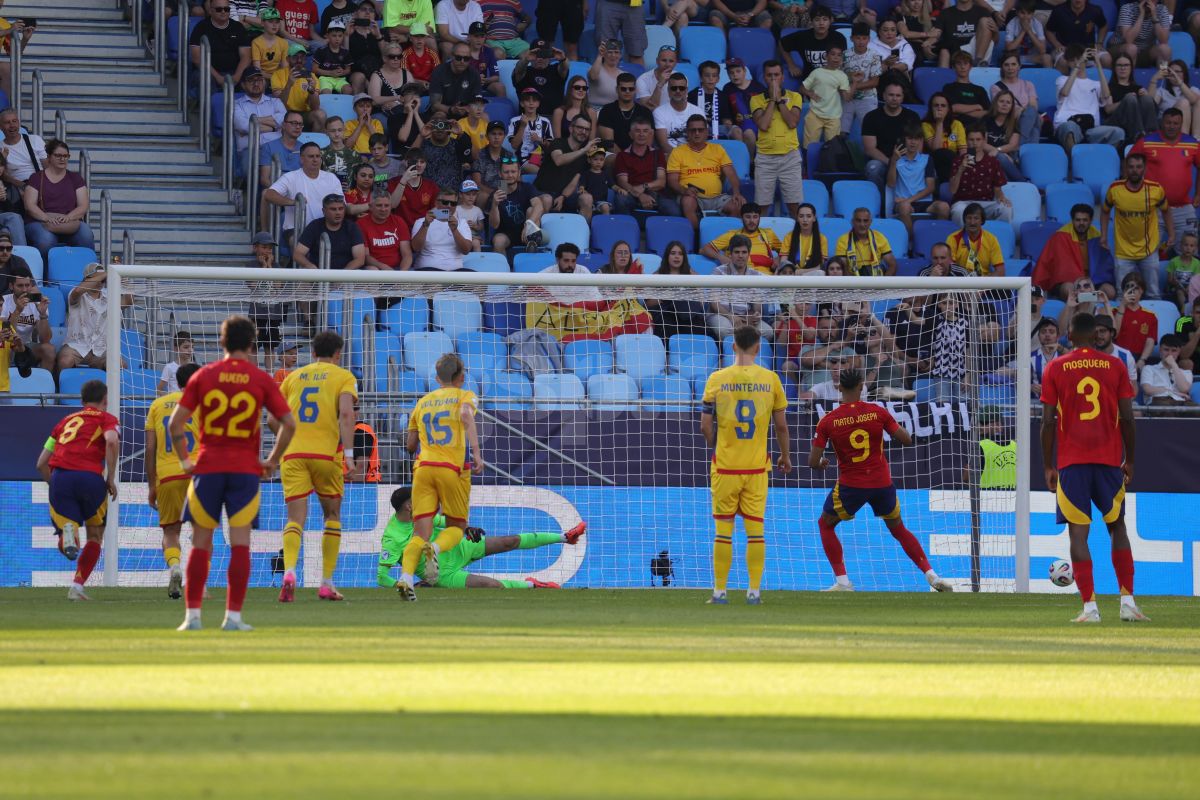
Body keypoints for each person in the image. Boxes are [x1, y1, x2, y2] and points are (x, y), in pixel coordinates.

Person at [171, 315, 296, 631]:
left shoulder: (203, 375)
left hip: (207, 467)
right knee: (241, 545)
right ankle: (233, 618)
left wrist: (186, 460)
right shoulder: (261, 378)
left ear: (221, 342)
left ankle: (193, 617)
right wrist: (272, 460)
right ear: (252, 344)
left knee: (200, 544)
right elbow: (289, 424)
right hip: (244, 471)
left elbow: (175, 425)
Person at [1039, 312, 1144, 623]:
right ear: (1095, 335)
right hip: (1110, 460)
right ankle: (1127, 603)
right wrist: (1131, 459)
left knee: (1078, 535)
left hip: (1072, 463)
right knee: (1117, 527)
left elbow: (1047, 422)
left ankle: (1090, 609)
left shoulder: (1055, 367)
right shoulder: (1115, 365)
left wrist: (1047, 465)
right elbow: (1127, 417)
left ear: (1070, 335)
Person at [809, 367, 953, 592]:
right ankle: (932, 576)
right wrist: (887, 426)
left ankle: (843, 582)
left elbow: (812, 461)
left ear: (839, 387)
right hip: (881, 483)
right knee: (899, 529)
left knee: (825, 524)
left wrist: (821, 464)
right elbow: (906, 439)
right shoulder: (877, 412)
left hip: (851, 485)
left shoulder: (829, 421)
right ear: (861, 387)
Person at [699, 324, 791, 605]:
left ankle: (719, 592)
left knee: (723, 530)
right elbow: (782, 426)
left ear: (733, 346)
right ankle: (753, 592)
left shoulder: (717, 378)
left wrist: (715, 445)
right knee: (755, 530)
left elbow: (705, 424)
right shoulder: (771, 379)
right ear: (758, 348)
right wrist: (785, 456)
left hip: (725, 467)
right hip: (756, 469)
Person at [276, 330, 360, 603]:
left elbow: (271, 420)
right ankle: (326, 582)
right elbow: (347, 414)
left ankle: (289, 571)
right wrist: (348, 454)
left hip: (293, 454)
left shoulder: (292, 377)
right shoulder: (343, 376)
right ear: (338, 354)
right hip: (326, 455)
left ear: (312, 353)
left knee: (294, 519)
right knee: (332, 515)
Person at [397, 352, 483, 601]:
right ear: (462, 377)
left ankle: (405, 578)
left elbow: (411, 445)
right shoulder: (464, 396)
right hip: (451, 469)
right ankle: (433, 548)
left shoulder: (422, 402)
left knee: (418, 532)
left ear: (436, 378)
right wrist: (476, 453)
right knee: (457, 527)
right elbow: (466, 416)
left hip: (423, 470)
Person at [379, 486, 582, 590]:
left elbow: (444, 522)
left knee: (508, 541)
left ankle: (565, 537)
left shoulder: (421, 515)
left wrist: (466, 528)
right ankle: (534, 585)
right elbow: (382, 576)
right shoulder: (392, 537)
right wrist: (407, 585)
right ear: (408, 506)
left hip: (458, 547)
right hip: (443, 575)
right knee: (491, 586)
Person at [35, 381, 119, 600]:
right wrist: (110, 478)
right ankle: (77, 586)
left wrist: (54, 485)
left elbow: (41, 463)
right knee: (95, 536)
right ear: (105, 400)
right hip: (91, 478)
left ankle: (68, 533)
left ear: (82, 401)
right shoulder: (107, 419)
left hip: (61, 477)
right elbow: (111, 442)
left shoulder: (63, 421)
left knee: (67, 531)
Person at [144, 363, 201, 600]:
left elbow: (150, 448)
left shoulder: (157, 405)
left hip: (167, 475)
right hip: (197, 474)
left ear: (176, 382)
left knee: (170, 531)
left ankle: (175, 565)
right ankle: (200, 584)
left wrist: (151, 485)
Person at [1129, 108, 1200, 251]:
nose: (1172, 126)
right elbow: (1128, 165)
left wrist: (1198, 193)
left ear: (1181, 124)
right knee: (1148, 253)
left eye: (1176, 123)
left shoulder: (1192, 143)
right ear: (1162, 123)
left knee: (1189, 255)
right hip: (1154, 208)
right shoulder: (1146, 142)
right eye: (1168, 122)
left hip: (1183, 209)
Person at [1101, 152, 1169, 298]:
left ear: (1144, 169)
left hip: (1148, 250)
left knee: (1153, 293)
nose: (1135, 170)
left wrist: (1173, 233)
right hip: (1123, 251)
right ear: (1126, 168)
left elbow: (1166, 211)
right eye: (1131, 167)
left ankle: (1155, 319)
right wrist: (1104, 236)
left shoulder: (1155, 189)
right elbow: (1105, 212)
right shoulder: (1115, 189)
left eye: (1138, 167)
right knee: (1122, 294)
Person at [666, 114, 745, 229]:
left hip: (717, 197)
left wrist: (737, 193)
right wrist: (684, 190)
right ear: (687, 132)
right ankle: (698, 238)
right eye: (693, 130)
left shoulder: (717, 149)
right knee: (688, 203)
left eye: (700, 130)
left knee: (737, 205)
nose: (697, 133)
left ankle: (727, 239)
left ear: (706, 131)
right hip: (692, 197)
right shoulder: (678, 152)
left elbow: (731, 173)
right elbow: (672, 180)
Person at [23, 139, 95, 259]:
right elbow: (29, 206)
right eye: (58, 155)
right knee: (46, 240)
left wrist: (68, 217)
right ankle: (46, 276)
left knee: (86, 234)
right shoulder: (36, 178)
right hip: (39, 221)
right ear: (49, 157)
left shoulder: (75, 178)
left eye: (66, 156)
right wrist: (47, 218)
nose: (62, 159)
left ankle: (88, 274)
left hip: (68, 222)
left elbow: (83, 206)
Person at [751, 60, 805, 217]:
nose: (773, 79)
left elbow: (792, 122)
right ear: (764, 78)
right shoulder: (756, 99)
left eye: (776, 75)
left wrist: (780, 101)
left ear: (783, 77)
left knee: (794, 206)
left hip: (790, 157)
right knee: (762, 206)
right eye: (769, 75)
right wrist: (772, 101)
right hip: (765, 158)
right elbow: (763, 124)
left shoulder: (795, 97)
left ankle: (796, 239)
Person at [262, 142, 345, 240]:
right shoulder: (290, 177)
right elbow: (269, 194)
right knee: (297, 244)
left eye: (318, 156)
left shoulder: (331, 178)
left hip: (326, 228)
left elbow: (342, 205)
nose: (315, 160)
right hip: (296, 229)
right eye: (311, 156)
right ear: (301, 159)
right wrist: (293, 202)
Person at [1033, 204, 1117, 300]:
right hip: (1069, 282)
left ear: (1091, 221)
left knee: (1110, 291)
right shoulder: (1060, 236)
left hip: (1092, 282)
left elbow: (1103, 267)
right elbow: (1047, 264)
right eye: (1078, 220)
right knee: (1069, 289)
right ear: (1072, 220)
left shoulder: (1097, 237)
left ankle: (1087, 301)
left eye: (1085, 220)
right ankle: (1088, 300)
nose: (1081, 223)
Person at [1054, 45, 1123, 154]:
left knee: (1118, 133)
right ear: (1068, 62)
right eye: (1073, 60)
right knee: (1070, 127)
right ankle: (1075, 162)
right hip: (1067, 122)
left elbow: (1107, 94)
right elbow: (1065, 92)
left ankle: (1101, 159)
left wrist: (1098, 64)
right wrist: (1077, 67)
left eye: (1080, 59)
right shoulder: (1062, 79)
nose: (1077, 62)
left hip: (1091, 128)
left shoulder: (1096, 84)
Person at [58, 262, 123, 371]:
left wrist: (123, 276)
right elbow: (78, 291)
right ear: (86, 279)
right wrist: (108, 272)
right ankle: (59, 387)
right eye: (97, 279)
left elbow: (129, 301)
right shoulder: (75, 293)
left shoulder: (109, 296)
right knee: (65, 361)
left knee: (120, 365)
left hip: (101, 348)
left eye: (103, 280)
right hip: (77, 345)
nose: (100, 282)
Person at [708, 236, 774, 340]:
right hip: (722, 314)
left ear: (748, 254)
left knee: (768, 332)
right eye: (737, 252)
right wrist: (731, 316)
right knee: (725, 330)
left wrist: (756, 315)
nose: (740, 256)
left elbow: (757, 306)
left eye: (744, 252)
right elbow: (714, 304)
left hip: (745, 316)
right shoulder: (718, 272)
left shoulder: (755, 275)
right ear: (730, 253)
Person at [888, 125, 949, 236]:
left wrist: (909, 200)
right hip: (903, 204)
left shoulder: (927, 159)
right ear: (904, 140)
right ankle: (914, 241)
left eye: (917, 139)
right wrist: (893, 161)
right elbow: (891, 184)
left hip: (924, 202)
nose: (913, 142)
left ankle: (936, 238)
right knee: (904, 207)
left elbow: (931, 187)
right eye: (910, 138)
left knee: (944, 207)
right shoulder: (896, 160)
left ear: (921, 140)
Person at [534, 115, 601, 215]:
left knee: (587, 198)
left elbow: (575, 180)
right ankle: (541, 230)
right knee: (547, 199)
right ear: (570, 128)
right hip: (543, 192)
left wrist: (563, 196)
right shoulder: (557, 143)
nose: (583, 132)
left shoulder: (584, 155)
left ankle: (585, 230)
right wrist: (583, 150)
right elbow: (558, 160)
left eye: (587, 129)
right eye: (580, 128)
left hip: (566, 196)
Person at [862, 83, 922, 190]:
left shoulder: (912, 117)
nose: (894, 98)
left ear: (903, 97)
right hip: (882, 161)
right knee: (873, 167)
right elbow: (869, 149)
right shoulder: (871, 117)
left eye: (898, 95)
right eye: (891, 95)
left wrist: (906, 164)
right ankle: (878, 202)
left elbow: (919, 144)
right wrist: (892, 163)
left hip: (907, 161)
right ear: (884, 96)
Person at [613, 119, 679, 217]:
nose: (641, 134)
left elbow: (661, 182)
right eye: (637, 131)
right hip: (632, 194)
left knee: (673, 210)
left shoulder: (658, 154)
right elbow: (622, 182)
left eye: (645, 131)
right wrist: (640, 195)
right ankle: (626, 229)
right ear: (631, 134)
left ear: (651, 134)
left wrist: (644, 187)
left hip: (656, 194)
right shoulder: (622, 156)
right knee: (620, 200)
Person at [645, 242, 709, 340]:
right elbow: (648, 304)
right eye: (673, 253)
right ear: (667, 256)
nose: (677, 257)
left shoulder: (692, 276)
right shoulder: (657, 276)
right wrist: (665, 297)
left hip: (688, 315)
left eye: (680, 254)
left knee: (698, 325)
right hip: (667, 315)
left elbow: (700, 303)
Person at [949, 127, 1012, 225]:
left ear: (984, 141)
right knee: (958, 210)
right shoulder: (958, 161)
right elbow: (952, 190)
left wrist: (1002, 197)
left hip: (985, 204)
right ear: (966, 141)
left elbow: (997, 189)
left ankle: (997, 239)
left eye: (978, 139)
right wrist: (960, 169)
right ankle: (961, 239)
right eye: (971, 139)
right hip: (963, 203)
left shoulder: (993, 162)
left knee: (1006, 209)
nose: (975, 143)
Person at [700, 202, 782, 274]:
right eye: (748, 217)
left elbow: (786, 251)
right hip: (739, 279)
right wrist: (721, 258)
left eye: (755, 217)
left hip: (765, 279)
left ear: (759, 218)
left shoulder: (768, 234)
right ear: (741, 218)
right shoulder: (732, 235)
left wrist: (779, 258)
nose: (752, 221)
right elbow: (705, 249)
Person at [190, 0, 252, 90]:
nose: (223, 12)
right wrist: (218, 77)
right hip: (207, 72)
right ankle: (209, 104)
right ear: (211, 11)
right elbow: (197, 59)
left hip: (234, 72)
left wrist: (237, 77)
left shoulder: (238, 27)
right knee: (205, 79)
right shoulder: (201, 27)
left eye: (226, 9)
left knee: (253, 78)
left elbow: (246, 57)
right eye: (219, 9)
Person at [487, 156, 543, 255]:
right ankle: (503, 269)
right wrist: (495, 205)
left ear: (519, 173)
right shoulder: (497, 193)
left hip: (528, 230)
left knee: (531, 210)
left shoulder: (526, 187)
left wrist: (528, 224)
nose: (510, 175)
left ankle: (532, 244)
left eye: (513, 172)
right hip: (506, 233)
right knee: (498, 241)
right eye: (506, 172)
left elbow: (539, 206)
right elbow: (494, 225)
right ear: (500, 174)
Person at [800, 46, 853, 146]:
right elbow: (802, 88)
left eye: (839, 55)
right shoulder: (817, 72)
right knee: (809, 146)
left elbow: (846, 98)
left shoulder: (842, 76)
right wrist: (810, 94)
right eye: (833, 54)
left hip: (834, 117)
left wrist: (855, 83)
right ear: (826, 56)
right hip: (815, 113)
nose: (836, 58)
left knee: (832, 147)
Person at [410, 187, 474, 270]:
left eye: (453, 203)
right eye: (445, 202)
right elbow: (416, 248)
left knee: (479, 281)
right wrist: (425, 225)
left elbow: (466, 250)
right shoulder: (421, 221)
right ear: (436, 203)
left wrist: (454, 230)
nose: (449, 206)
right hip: (428, 270)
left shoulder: (462, 223)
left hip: (455, 272)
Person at [1102, 54, 1158, 144]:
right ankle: (1138, 135)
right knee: (1129, 98)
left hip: (1137, 120)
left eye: (1126, 65)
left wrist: (1146, 95)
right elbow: (1108, 109)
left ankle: (1152, 134)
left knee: (1147, 98)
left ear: (1131, 68)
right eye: (1119, 65)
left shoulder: (1138, 88)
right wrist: (1125, 101)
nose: (1122, 68)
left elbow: (1151, 107)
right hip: (1115, 121)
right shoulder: (1109, 87)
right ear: (1114, 68)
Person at [780, 5, 848, 80]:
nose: (821, 23)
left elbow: (843, 60)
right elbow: (782, 43)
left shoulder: (838, 38)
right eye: (817, 20)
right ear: (811, 22)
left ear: (830, 21)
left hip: (833, 79)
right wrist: (791, 65)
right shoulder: (803, 37)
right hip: (810, 80)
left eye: (825, 19)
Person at [1, 273, 52, 370]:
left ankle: (46, 382)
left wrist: (43, 315)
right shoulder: (3, 302)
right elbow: (7, 335)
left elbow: (45, 339)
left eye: (27, 285)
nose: (24, 290)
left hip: (27, 345)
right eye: (20, 286)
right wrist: (17, 311)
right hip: (7, 344)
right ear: (11, 286)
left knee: (49, 350)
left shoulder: (37, 303)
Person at [233, 67, 287, 157]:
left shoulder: (275, 102)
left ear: (264, 83)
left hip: (275, 148)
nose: (256, 83)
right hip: (249, 151)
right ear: (243, 85)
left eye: (259, 80)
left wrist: (253, 121)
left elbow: (285, 122)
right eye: (251, 80)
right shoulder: (236, 104)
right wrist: (274, 128)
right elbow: (244, 126)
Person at [272, 43, 326, 131]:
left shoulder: (311, 76)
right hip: (285, 113)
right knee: (279, 116)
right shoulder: (278, 74)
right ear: (287, 59)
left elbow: (315, 108)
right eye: (295, 57)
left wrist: (312, 91)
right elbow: (278, 105)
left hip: (303, 114)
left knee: (320, 114)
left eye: (302, 57)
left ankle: (314, 144)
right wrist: (289, 84)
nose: (299, 60)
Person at [992, 54, 1042, 150]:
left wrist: (1021, 110)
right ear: (1002, 67)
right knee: (1035, 124)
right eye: (1006, 65)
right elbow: (1004, 109)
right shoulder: (996, 87)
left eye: (1013, 64)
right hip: (1010, 120)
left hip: (1028, 117)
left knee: (1031, 113)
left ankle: (1019, 148)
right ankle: (1027, 151)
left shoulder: (1028, 84)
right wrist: (1024, 110)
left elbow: (1033, 106)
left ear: (1019, 66)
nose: (1010, 68)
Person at [598, 71, 654, 152]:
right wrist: (625, 158)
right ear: (617, 89)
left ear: (635, 90)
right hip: (614, 154)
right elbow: (608, 142)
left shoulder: (645, 112)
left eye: (631, 89)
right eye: (623, 89)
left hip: (641, 154)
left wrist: (637, 157)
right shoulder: (607, 110)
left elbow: (649, 138)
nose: (627, 91)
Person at [1046, 0, 1110, 70]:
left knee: (1107, 59)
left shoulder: (1095, 10)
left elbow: (1103, 26)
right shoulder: (1059, 10)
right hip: (1065, 49)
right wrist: (1057, 44)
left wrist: (1099, 43)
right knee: (1063, 62)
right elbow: (1048, 30)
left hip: (1089, 49)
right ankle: (1063, 80)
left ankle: (1104, 81)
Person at [946, 202, 1006, 276]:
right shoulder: (953, 238)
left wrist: (984, 283)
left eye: (976, 218)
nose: (972, 222)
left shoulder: (991, 239)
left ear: (982, 220)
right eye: (969, 218)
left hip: (984, 282)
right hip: (961, 282)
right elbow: (950, 268)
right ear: (964, 220)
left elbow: (1000, 271)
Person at [722, 57, 766, 159]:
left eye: (738, 71)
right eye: (731, 73)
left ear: (745, 71)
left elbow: (765, 107)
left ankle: (750, 162)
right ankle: (746, 162)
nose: (735, 75)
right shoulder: (727, 89)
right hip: (739, 123)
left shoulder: (758, 87)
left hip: (756, 122)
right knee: (743, 133)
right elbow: (726, 111)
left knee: (749, 133)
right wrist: (731, 121)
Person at [1113, 273, 1158, 372]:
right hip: (1117, 357)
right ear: (1124, 291)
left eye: (1135, 288)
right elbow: (1114, 334)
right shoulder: (1114, 312)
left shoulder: (1150, 316)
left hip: (1139, 357)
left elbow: (1150, 342)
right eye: (1127, 287)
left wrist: (1142, 360)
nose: (1131, 291)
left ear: (1141, 291)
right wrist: (1122, 305)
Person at [835, 207, 897, 276]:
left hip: (877, 281)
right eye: (858, 221)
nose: (862, 224)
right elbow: (843, 268)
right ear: (852, 222)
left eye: (865, 221)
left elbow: (892, 265)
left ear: (870, 222)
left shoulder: (879, 237)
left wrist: (884, 283)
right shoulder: (843, 240)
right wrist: (854, 285)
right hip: (853, 281)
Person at [513, 39, 569, 114]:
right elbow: (518, 71)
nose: (540, 58)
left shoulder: (556, 69)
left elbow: (564, 68)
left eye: (544, 54)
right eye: (536, 54)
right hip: (529, 119)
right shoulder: (525, 71)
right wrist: (526, 60)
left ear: (549, 55)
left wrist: (563, 59)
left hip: (554, 119)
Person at [429, 42, 483, 118]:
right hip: (445, 111)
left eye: (466, 59)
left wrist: (468, 109)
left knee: (484, 116)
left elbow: (478, 101)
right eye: (458, 58)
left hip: (467, 112)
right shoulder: (439, 72)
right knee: (439, 116)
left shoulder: (474, 73)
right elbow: (435, 105)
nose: (462, 61)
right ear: (452, 56)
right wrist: (452, 109)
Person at [653, 73, 704, 154]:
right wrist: (680, 158)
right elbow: (663, 144)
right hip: (670, 157)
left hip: (694, 156)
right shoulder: (659, 112)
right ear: (668, 90)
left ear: (686, 90)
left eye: (681, 88)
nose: (678, 91)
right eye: (674, 88)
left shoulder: (698, 112)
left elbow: (702, 140)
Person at [1111, 0, 1171, 68]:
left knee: (1165, 50)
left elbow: (1164, 40)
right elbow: (1128, 40)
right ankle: (1129, 78)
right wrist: (1141, 15)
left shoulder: (1162, 9)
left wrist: (1154, 17)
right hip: (1121, 49)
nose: (1149, 2)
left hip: (1146, 50)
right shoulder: (1127, 9)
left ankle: (1163, 75)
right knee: (1131, 48)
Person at [936, 0, 996, 68]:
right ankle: (944, 78)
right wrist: (929, 41)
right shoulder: (945, 13)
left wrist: (995, 31)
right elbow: (936, 34)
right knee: (944, 51)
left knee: (985, 21)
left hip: (976, 51)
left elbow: (995, 41)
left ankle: (978, 62)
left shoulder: (983, 12)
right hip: (955, 52)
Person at [421, 113, 474, 190]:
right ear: (431, 126)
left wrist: (460, 133)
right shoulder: (424, 144)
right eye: (436, 124)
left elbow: (467, 151)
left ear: (448, 125)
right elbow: (411, 157)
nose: (440, 128)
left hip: (451, 193)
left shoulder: (456, 144)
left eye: (443, 124)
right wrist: (421, 135)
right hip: (428, 192)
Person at [1148, 60, 1200, 136]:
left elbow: (1194, 100)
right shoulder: (1162, 91)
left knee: (1198, 101)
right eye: (1171, 71)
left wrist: (1179, 83)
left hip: (1191, 127)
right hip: (1168, 126)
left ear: (1184, 74)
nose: (1174, 74)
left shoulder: (1193, 90)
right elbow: (1149, 105)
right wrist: (1154, 79)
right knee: (1184, 103)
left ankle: (1197, 140)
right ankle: (1183, 141)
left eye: (1177, 71)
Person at [922, 92, 966, 183]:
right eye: (936, 105)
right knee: (943, 153)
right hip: (935, 161)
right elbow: (936, 149)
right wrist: (939, 123)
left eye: (943, 105)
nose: (939, 108)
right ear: (931, 108)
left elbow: (963, 151)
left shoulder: (957, 124)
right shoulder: (925, 125)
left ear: (948, 109)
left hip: (954, 162)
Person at [507, 88, 554, 170]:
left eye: (534, 100)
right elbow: (514, 145)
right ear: (522, 103)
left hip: (542, 158)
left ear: (538, 103)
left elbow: (551, 146)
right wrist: (522, 126)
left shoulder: (545, 122)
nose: (531, 103)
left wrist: (540, 140)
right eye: (527, 100)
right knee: (540, 171)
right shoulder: (515, 121)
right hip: (523, 159)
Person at [1140, 334, 1194, 405]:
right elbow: (1147, 389)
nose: (1169, 354)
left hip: (1181, 402)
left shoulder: (1186, 372)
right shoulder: (1149, 369)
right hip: (1159, 401)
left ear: (1179, 352)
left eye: (1174, 351)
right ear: (1160, 350)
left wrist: (1173, 365)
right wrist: (1172, 392)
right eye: (1166, 349)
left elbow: (1184, 389)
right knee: (1165, 406)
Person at [983, 89, 1024, 182]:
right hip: (987, 157)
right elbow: (982, 143)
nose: (1004, 104)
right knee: (1000, 159)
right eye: (1001, 101)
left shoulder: (1014, 123)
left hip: (1008, 161)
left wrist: (997, 151)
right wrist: (999, 154)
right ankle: (1023, 182)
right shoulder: (986, 120)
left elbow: (1013, 146)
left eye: (1008, 102)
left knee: (1001, 165)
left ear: (1011, 106)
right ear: (995, 103)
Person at [943, 50, 990, 124]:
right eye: (959, 63)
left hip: (976, 129)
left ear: (970, 66)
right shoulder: (948, 88)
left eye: (965, 63)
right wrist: (977, 106)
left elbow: (987, 113)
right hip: (955, 126)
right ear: (953, 67)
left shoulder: (980, 90)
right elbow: (952, 108)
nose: (962, 67)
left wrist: (961, 112)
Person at [780, 202, 829, 273]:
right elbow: (783, 262)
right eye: (801, 216)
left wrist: (802, 271)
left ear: (814, 218)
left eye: (809, 216)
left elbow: (821, 266)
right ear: (797, 218)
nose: (805, 220)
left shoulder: (822, 238)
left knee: (820, 273)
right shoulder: (789, 236)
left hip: (812, 273)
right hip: (793, 273)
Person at [1093, 313, 1139, 387]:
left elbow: (1133, 388)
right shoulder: (1086, 355)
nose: (1098, 336)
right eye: (1095, 332)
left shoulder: (1125, 356)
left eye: (1102, 331)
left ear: (1112, 333)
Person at [596, 0, 649, 64]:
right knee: (605, 51)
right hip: (606, 2)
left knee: (636, 53)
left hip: (635, 4)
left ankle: (638, 74)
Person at [1005, 0, 1052, 67]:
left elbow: (1043, 50)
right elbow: (1009, 49)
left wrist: (1029, 31)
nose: (1025, 16)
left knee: (1047, 58)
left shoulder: (1037, 24)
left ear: (1033, 14)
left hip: (1032, 57)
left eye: (1029, 13)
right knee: (1008, 58)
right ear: (1017, 12)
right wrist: (1023, 31)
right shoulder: (1011, 24)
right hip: (1016, 57)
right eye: (1022, 13)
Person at [312, 21, 355, 95]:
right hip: (324, 78)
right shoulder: (321, 50)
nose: (337, 38)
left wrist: (343, 72)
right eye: (334, 35)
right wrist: (330, 73)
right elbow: (314, 69)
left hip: (340, 78)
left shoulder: (345, 52)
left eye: (340, 36)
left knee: (349, 90)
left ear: (343, 36)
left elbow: (348, 69)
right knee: (326, 92)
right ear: (327, 35)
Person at [689, 60, 727, 141]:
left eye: (714, 75)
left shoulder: (723, 95)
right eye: (707, 75)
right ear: (700, 77)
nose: (711, 79)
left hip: (718, 128)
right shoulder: (692, 95)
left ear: (718, 78)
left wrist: (728, 122)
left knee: (736, 131)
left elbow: (726, 118)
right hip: (697, 129)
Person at [635, 45, 680, 111]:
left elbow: (682, 105)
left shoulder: (680, 79)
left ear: (676, 63)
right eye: (664, 60)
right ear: (657, 61)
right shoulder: (642, 79)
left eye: (671, 61)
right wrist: (660, 84)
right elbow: (650, 107)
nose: (667, 64)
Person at [1167, 232, 1200, 310]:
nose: (1188, 248)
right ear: (1181, 246)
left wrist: (1189, 288)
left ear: (1195, 249)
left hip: (1192, 287)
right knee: (1179, 292)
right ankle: (1183, 309)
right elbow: (1169, 280)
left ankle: (1194, 309)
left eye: (1191, 246)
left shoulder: (1197, 263)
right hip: (1176, 287)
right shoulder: (1173, 261)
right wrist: (1173, 281)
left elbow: (1197, 280)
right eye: (1186, 245)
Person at [578, 147, 612, 221]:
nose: (598, 162)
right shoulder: (586, 174)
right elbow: (582, 185)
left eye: (601, 160)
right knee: (587, 206)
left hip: (601, 201)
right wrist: (581, 189)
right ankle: (588, 227)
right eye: (595, 159)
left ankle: (605, 226)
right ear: (589, 160)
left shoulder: (606, 174)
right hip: (590, 201)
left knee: (605, 207)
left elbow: (612, 185)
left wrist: (619, 189)